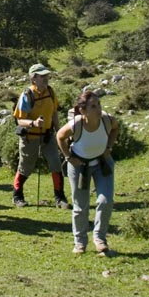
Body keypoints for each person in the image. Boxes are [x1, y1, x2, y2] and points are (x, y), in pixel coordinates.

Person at [56, 87, 118, 255]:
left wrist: (109, 147)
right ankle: (80, 243)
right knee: (80, 206)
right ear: (82, 111)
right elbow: (60, 137)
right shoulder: (76, 124)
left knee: (106, 201)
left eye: (99, 104)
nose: (99, 109)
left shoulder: (106, 119)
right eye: (93, 107)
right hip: (79, 166)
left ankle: (99, 239)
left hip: (102, 164)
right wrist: (68, 157)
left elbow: (116, 128)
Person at [12, 63, 70, 209]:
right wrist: (34, 123)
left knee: (55, 164)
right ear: (33, 79)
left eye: (46, 75)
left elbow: (55, 113)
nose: (45, 78)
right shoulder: (27, 95)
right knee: (25, 167)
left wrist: (60, 133)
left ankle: (60, 198)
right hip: (30, 137)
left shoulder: (50, 92)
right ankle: (17, 196)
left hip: (48, 136)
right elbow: (19, 120)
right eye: (41, 76)